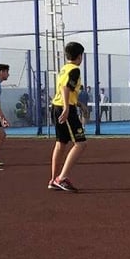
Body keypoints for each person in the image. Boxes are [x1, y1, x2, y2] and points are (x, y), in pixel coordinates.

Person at [49, 42, 87, 192]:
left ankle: (53, 180)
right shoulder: (75, 70)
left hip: (56, 106)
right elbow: (66, 88)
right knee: (81, 144)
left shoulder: (64, 68)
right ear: (79, 56)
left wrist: (78, 104)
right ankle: (61, 178)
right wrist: (66, 107)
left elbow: (66, 90)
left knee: (61, 143)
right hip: (64, 109)